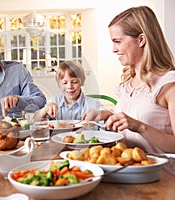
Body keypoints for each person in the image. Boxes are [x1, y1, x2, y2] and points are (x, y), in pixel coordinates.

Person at [84, 6, 175, 175]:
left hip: (162, 178)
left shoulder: (168, 84)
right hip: (127, 173)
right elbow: (132, 122)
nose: (113, 49)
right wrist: (107, 116)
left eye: (117, 41)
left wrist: (139, 126)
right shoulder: (128, 83)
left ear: (141, 39)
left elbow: (140, 125)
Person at [33, 60, 103, 121]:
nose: (69, 86)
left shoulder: (92, 105)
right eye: (64, 83)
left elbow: (108, 120)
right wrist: (45, 110)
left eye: (74, 82)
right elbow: (34, 120)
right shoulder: (54, 102)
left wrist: (102, 115)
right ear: (59, 84)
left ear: (82, 82)